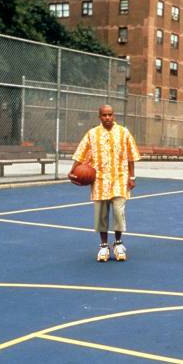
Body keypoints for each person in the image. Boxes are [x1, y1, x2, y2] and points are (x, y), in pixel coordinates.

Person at [69, 105, 140, 262]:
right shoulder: (92, 134)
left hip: (120, 178)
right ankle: (103, 246)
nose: (107, 117)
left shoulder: (123, 132)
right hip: (99, 179)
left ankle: (118, 243)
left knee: (118, 211)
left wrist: (132, 177)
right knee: (101, 214)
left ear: (114, 115)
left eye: (110, 114)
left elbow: (130, 156)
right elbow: (80, 153)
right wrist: (72, 170)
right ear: (99, 116)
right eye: (104, 115)